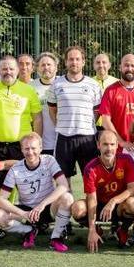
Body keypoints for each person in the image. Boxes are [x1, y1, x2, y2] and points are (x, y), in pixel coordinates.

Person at [0, 132, 73, 252]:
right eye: (26, 148)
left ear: (40, 148)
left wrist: (42, 205)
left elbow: (63, 185)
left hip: (47, 208)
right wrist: (23, 214)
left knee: (67, 197)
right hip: (28, 211)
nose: (30, 152)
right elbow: (1, 200)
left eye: (33, 148)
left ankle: (56, 238)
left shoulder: (49, 161)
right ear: (21, 150)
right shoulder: (15, 169)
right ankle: (28, 231)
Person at [73, 130, 134, 252]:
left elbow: (133, 188)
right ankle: (97, 231)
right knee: (77, 208)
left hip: (119, 206)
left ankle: (122, 230)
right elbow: (91, 199)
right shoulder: (90, 168)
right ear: (98, 145)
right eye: (105, 144)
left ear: (117, 145)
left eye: (112, 144)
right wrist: (91, 229)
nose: (109, 148)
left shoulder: (126, 160)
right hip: (99, 205)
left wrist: (113, 201)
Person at [0, 56, 43, 193]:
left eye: (11, 68)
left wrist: (36, 142)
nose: (7, 71)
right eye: (4, 68)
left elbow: (37, 118)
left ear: (17, 70)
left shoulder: (28, 90)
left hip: (21, 145)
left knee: (23, 183)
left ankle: (22, 212)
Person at [48, 46, 102, 179]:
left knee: (90, 178)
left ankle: (91, 201)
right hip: (64, 138)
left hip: (87, 138)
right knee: (63, 180)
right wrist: (61, 125)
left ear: (83, 62)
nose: (74, 62)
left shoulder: (93, 85)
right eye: (71, 59)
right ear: (66, 62)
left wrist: (84, 124)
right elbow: (52, 110)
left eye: (78, 59)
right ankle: (67, 200)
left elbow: (97, 111)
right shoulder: (56, 84)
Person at [98, 54, 134, 149]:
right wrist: (121, 142)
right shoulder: (110, 91)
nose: (129, 68)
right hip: (118, 148)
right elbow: (105, 121)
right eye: (126, 65)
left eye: (133, 66)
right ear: (120, 68)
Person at [30, 52, 59, 155]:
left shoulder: (63, 83)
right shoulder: (30, 87)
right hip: (41, 143)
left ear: (56, 67)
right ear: (37, 69)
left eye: (49, 64)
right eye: (42, 65)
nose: (46, 67)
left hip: (63, 141)